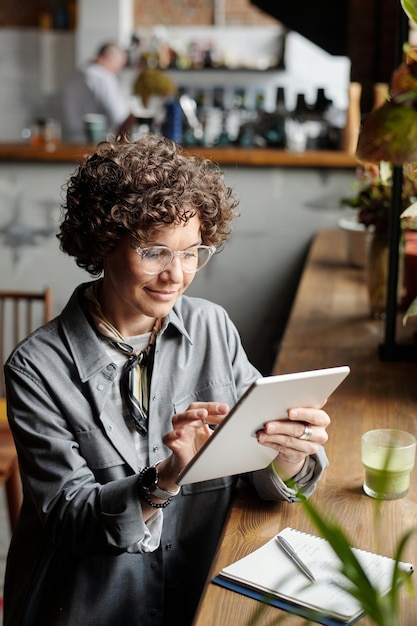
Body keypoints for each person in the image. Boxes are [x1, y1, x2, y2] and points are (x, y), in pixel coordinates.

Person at [3, 134, 331, 626]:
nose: (176, 275)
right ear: (103, 241)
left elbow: (257, 471)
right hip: (90, 606)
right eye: (155, 252)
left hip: (200, 592)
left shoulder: (212, 327)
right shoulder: (36, 369)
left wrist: (285, 456)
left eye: (193, 251)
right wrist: (166, 478)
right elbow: (70, 520)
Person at [62, 42, 130, 143]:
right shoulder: (104, 77)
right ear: (109, 57)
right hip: (99, 143)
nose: (119, 70)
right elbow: (119, 116)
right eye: (120, 64)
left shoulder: (76, 75)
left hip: (72, 141)